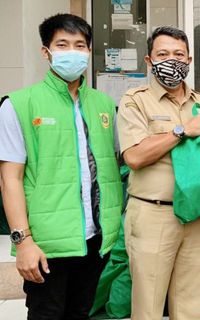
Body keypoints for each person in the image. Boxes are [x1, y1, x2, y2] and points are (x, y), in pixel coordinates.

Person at [0, 13, 122, 319]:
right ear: (46, 51)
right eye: (63, 44)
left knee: (81, 313)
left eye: (80, 45)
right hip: (47, 244)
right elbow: (9, 179)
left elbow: (119, 163)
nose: (72, 51)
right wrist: (23, 241)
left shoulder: (105, 105)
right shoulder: (19, 104)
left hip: (96, 240)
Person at [117, 26, 200, 320]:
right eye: (163, 54)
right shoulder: (134, 100)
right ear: (149, 61)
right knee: (149, 306)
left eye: (179, 54)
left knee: (190, 305)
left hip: (197, 216)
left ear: (189, 60)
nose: (172, 60)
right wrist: (181, 131)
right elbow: (135, 157)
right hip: (153, 214)